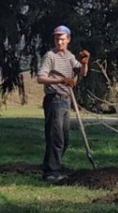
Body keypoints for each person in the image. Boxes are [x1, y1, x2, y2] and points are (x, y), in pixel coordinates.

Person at [37, 25, 90, 182]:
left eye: (62, 38)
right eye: (56, 38)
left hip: (66, 100)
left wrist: (85, 62)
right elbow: (40, 78)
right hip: (54, 99)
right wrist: (61, 80)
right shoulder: (50, 56)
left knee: (64, 139)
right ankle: (51, 173)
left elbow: (82, 72)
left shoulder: (69, 56)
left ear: (68, 40)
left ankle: (52, 166)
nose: (59, 41)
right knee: (56, 137)